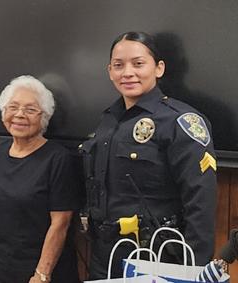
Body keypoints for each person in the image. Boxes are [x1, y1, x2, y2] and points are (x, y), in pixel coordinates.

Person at [81, 31, 217, 279]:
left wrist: (192, 272)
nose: (128, 72)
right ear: (109, 71)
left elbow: (201, 202)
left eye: (138, 63)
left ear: (159, 68)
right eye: (118, 65)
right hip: (106, 255)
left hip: (159, 257)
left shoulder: (179, 121)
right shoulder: (107, 121)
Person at [0, 75, 81, 283]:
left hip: (42, 272)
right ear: (3, 113)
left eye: (30, 110)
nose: (19, 115)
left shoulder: (58, 158)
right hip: (0, 268)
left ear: (44, 117)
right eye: (13, 107)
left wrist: (42, 274)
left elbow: (60, 223)